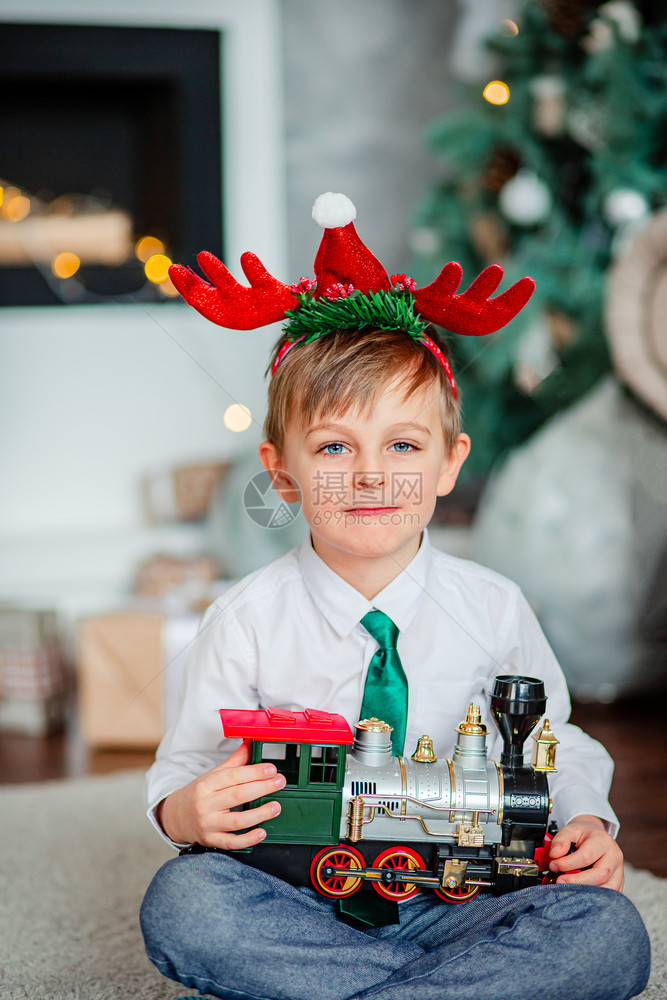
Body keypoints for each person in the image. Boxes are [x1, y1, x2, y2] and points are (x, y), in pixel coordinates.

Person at [140, 194, 650, 1000]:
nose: (372, 475)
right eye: (335, 447)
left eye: (403, 445)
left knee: (608, 935)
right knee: (185, 904)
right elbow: (186, 766)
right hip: (301, 893)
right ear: (281, 474)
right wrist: (182, 814)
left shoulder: (492, 605)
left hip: (469, 889)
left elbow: (561, 742)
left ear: (449, 464)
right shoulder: (244, 617)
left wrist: (589, 819)